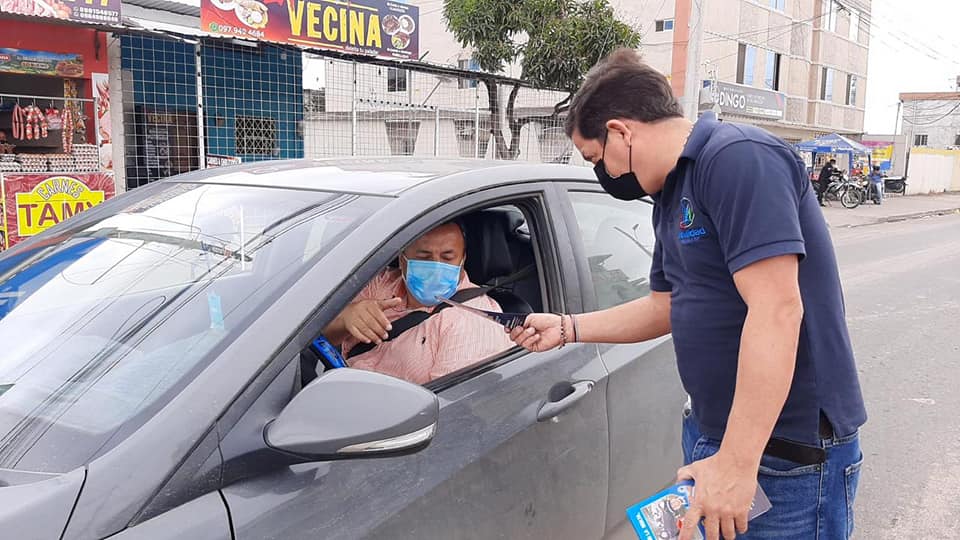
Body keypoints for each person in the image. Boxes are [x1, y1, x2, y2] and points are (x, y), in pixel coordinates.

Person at [508, 49, 866, 540]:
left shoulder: (737, 158)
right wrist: (569, 327)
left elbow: (778, 309)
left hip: (783, 456)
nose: (604, 174)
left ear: (620, 132)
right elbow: (668, 304)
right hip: (714, 439)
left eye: (597, 160)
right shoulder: (672, 194)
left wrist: (738, 465)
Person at [323, 221, 514, 385]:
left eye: (447, 258)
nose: (436, 268)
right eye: (424, 258)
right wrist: (346, 317)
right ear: (402, 258)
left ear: (462, 260)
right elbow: (316, 336)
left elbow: (449, 405)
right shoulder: (381, 284)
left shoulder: (474, 319)